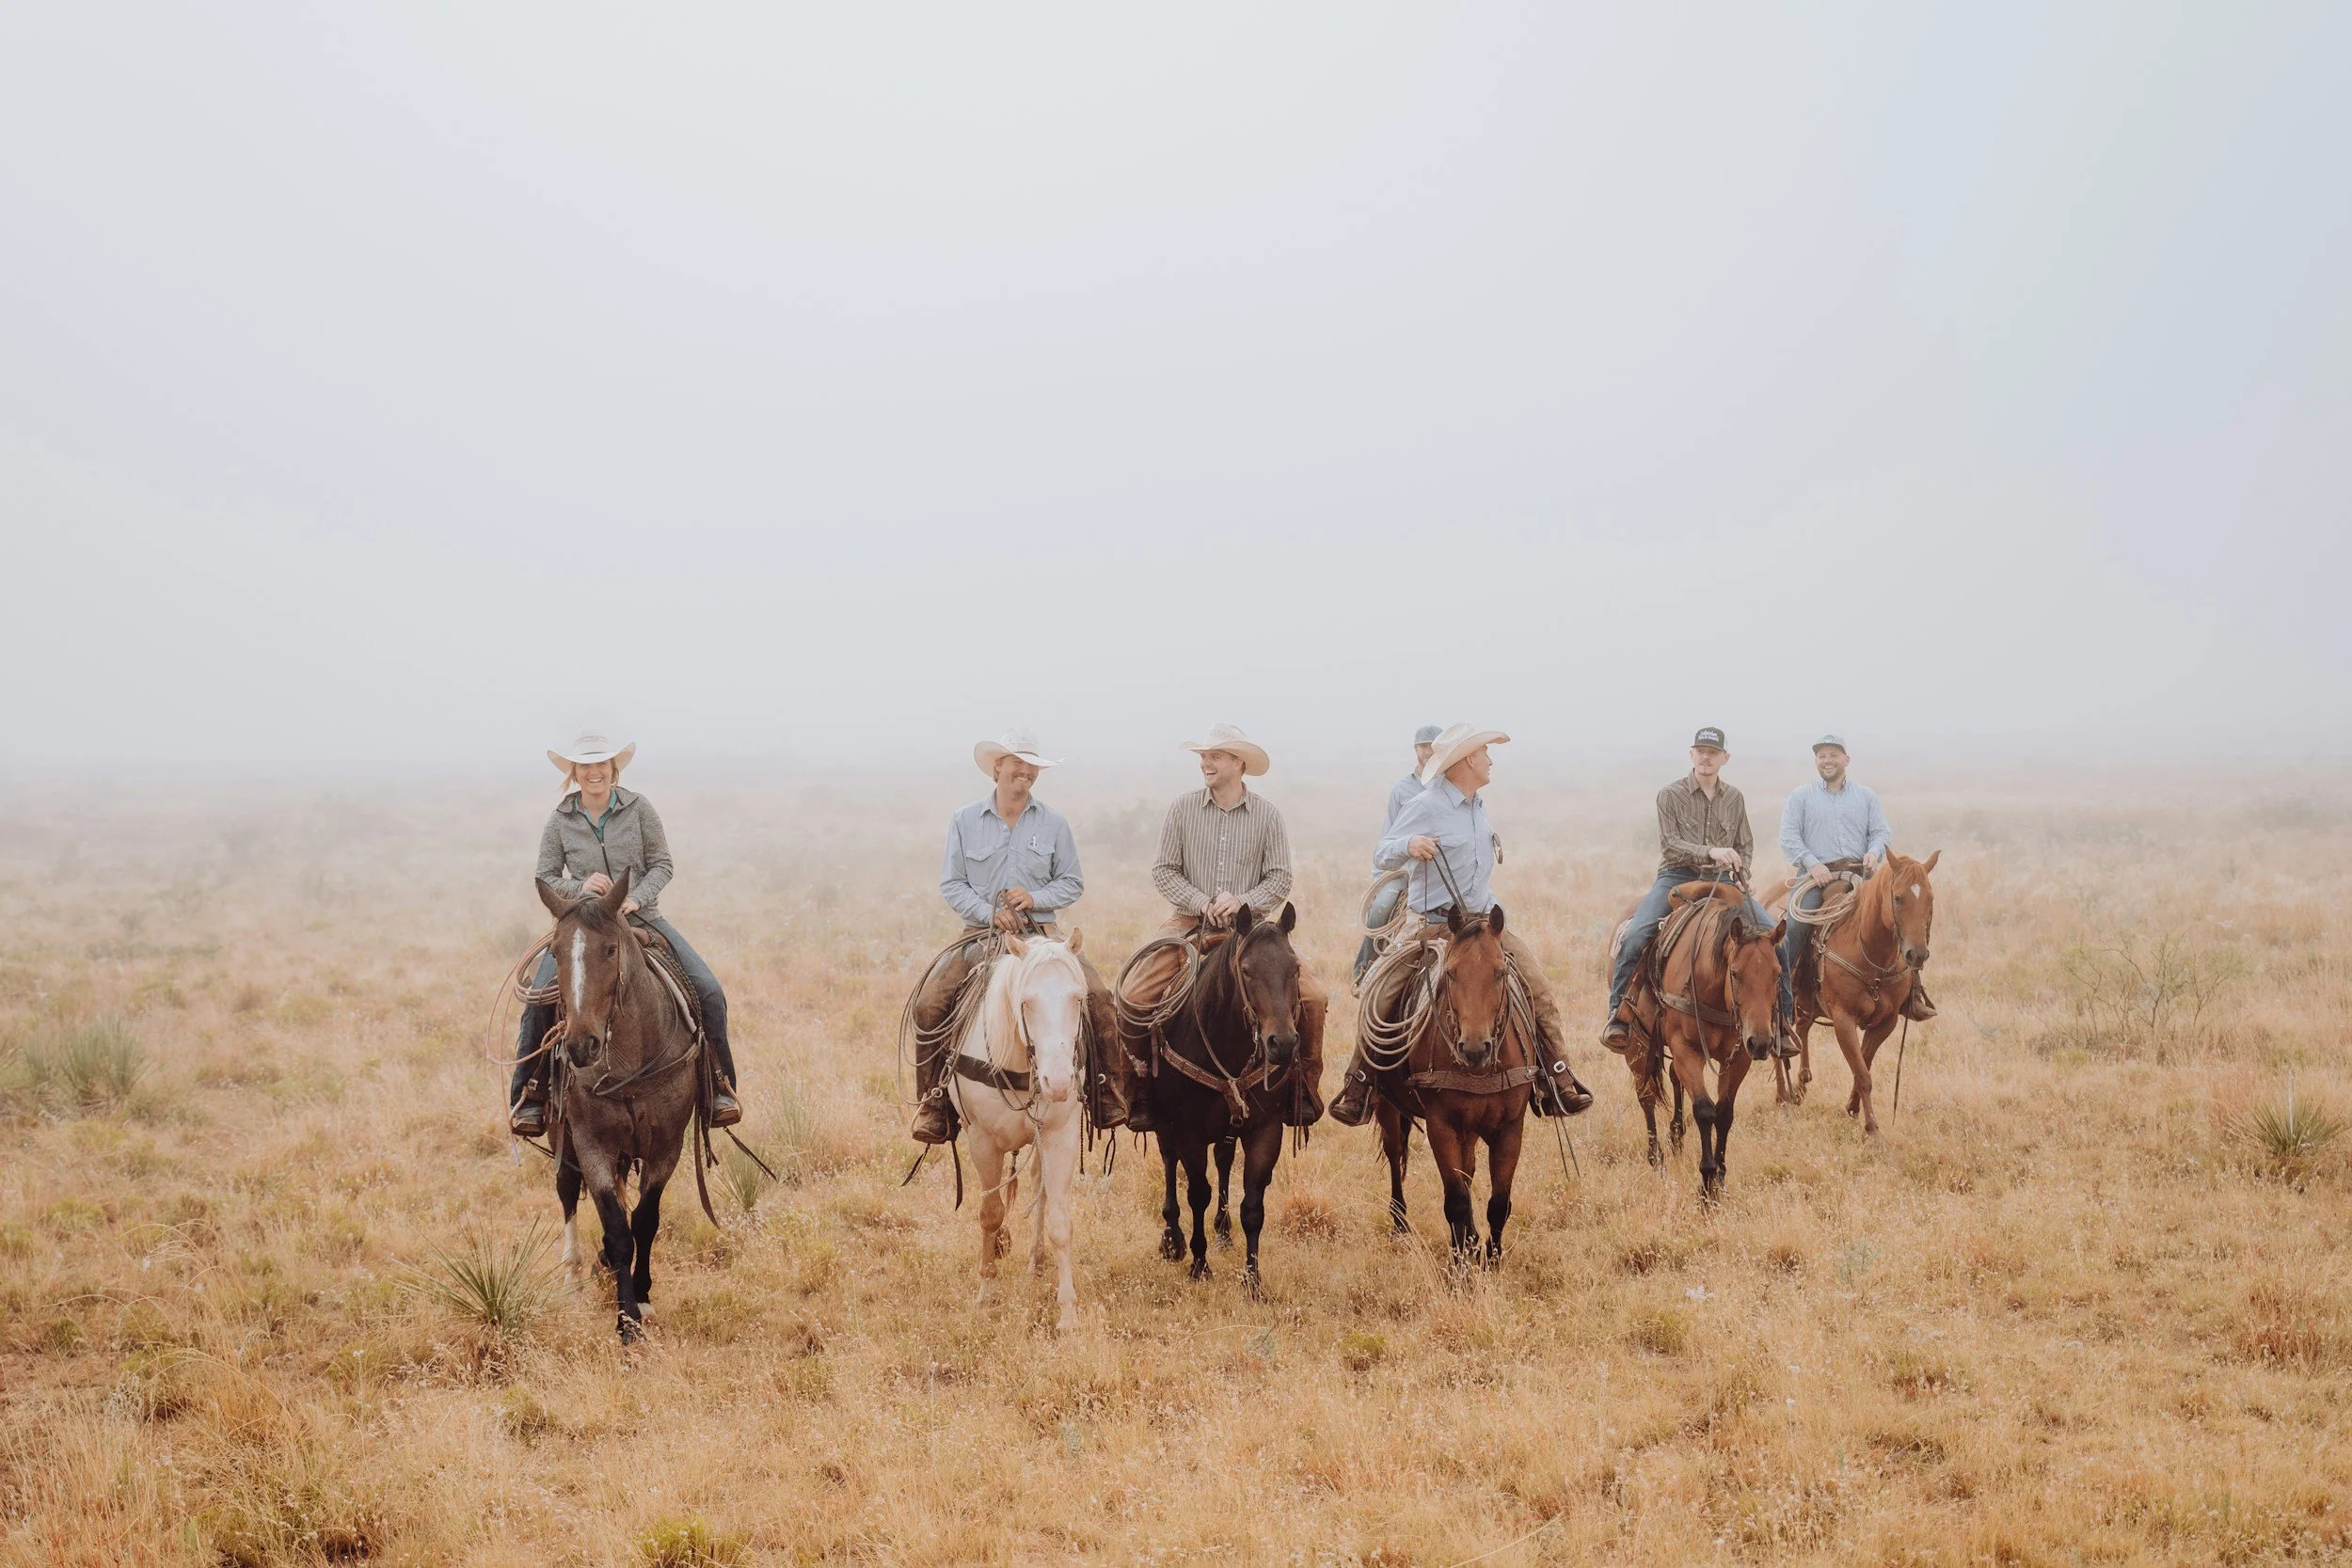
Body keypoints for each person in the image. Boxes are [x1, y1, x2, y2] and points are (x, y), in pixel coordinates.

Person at [1328, 724, 1593, 1125]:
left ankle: (1557, 1075)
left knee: (1537, 986)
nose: (1491, 761)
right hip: (1432, 924)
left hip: (1484, 923)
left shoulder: (1477, 806)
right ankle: (1359, 1083)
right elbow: (1382, 852)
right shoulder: (1427, 803)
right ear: (1469, 759)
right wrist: (1409, 845)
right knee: (1382, 994)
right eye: (1486, 753)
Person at [510, 733, 740, 1136]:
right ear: (575, 772)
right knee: (538, 1001)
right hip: (583, 925)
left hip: (642, 917)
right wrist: (580, 887)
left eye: (601, 764)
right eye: (586, 765)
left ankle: (717, 1089)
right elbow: (545, 876)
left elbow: (662, 865)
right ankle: (532, 1095)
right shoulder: (560, 819)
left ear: (613, 769)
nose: (594, 772)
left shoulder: (640, 809)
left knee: (708, 991)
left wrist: (635, 898)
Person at [907, 728, 1120, 1146]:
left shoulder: (1054, 822)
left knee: (1096, 995)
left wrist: (1036, 896)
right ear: (997, 769)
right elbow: (952, 884)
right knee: (932, 1001)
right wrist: (989, 912)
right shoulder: (965, 820)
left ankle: (1104, 1091)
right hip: (980, 933)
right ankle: (934, 1102)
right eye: (1015, 764)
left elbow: (1072, 882)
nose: (1024, 773)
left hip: (1044, 932)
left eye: (1031, 767)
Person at [1114, 724, 1328, 1132]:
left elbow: (1281, 878)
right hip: (1187, 921)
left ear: (1238, 763)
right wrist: (1203, 902)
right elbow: (1164, 871)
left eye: (1215, 756)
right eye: (1203, 756)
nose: (1205, 762)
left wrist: (1244, 902)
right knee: (1132, 993)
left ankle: (1302, 1086)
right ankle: (1138, 1087)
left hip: (1251, 928)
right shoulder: (1182, 808)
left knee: (1314, 996)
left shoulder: (1267, 814)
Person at [1600, 726, 1782, 1059]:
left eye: (1713, 753)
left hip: (1725, 882)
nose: (1706, 757)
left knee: (1772, 941)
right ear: (1691, 755)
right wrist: (1711, 852)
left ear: (1725, 758)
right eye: (1700, 751)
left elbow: (1745, 844)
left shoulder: (1734, 798)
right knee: (1637, 934)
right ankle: (1618, 1017)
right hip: (1676, 877)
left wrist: (1743, 874)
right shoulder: (1670, 794)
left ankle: (1781, 1027)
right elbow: (1671, 843)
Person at [1777, 734, 1936, 1022]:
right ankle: (1784, 1005)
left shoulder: (1866, 796)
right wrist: (1813, 864)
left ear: (1846, 760)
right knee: (1795, 930)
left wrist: (1874, 853)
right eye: (1822, 756)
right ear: (1816, 761)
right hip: (1816, 877)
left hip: (1859, 874)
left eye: (1833, 755)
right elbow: (1789, 837)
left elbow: (1880, 832)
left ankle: (1911, 994)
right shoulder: (1801, 796)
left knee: (1896, 920)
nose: (1827, 760)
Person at [1353, 724, 1440, 982]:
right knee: (1381, 908)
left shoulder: (1450, 786)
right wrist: (1384, 876)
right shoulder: (1402, 790)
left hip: (1440, 870)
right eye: (1423, 746)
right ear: (1416, 750)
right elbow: (1389, 834)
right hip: (1404, 868)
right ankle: (1364, 968)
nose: (1428, 751)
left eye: (1433, 746)